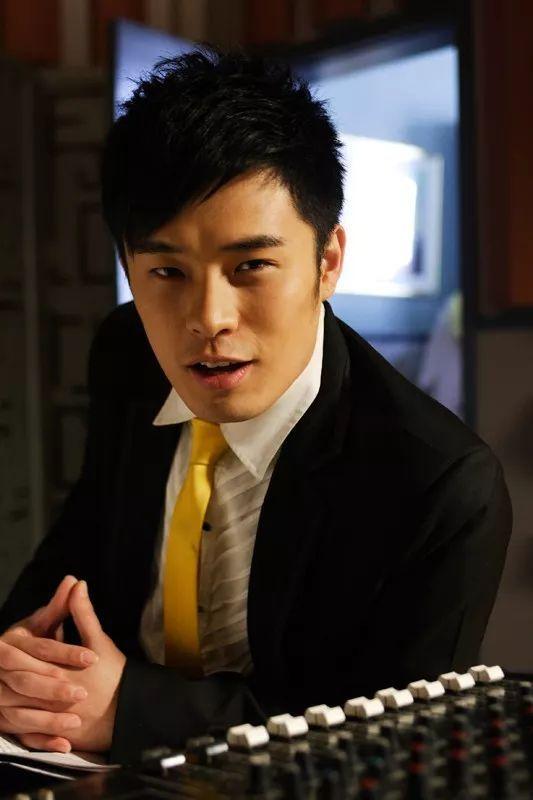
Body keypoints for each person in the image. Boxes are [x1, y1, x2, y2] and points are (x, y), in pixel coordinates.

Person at [0, 47, 512, 764]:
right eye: (167, 271)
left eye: (251, 267)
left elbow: (390, 744)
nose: (208, 319)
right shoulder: (127, 351)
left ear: (327, 261)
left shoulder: (440, 485)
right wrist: (20, 654)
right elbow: (79, 545)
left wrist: (129, 710)